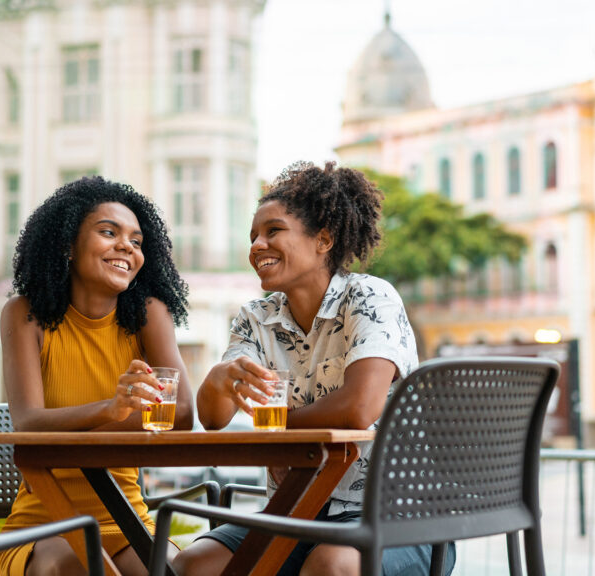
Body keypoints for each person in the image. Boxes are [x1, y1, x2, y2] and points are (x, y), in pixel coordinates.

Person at [173, 162, 456, 576]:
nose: (257, 245)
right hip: (293, 514)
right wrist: (219, 381)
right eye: (253, 235)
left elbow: (360, 407)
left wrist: (282, 426)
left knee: (331, 565)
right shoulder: (255, 317)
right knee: (194, 565)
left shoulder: (370, 297)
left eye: (273, 231)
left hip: (397, 516)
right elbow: (214, 419)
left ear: (323, 239)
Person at [0, 176, 193, 576]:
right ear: (68, 244)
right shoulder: (25, 314)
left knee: (173, 570)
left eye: (137, 241)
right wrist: (112, 408)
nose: (126, 247)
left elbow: (183, 414)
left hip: (127, 521)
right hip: (45, 525)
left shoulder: (148, 316)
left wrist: (109, 417)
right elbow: (29, 423)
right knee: (76, 569)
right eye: (109, 232)